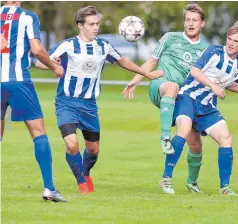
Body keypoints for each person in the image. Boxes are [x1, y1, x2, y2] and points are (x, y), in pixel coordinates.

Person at [35, 6, 162, 194]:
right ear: (80, 25)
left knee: (93, 150)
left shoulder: (104, 46)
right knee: (71, 144)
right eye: (91, 24)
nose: (96, 27)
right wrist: (54, 66)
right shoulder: (68, 45)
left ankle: (85, 172)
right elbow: (39, 62)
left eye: (97, 24)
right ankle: (81, 182)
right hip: (66, 102)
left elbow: (123, 62)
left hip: (89, 106)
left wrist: (146, 73)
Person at [160, 21, 238, 195]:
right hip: (188, 97)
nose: (231, 43)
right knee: (184, 130)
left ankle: (225, 188)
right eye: (229, 39)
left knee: (226, 138)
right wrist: (214, 86)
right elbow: (195, 71)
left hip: (207, 107)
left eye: (236, 41)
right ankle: (166, 179)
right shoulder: (214, 51)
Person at [123, 3, 210, 193]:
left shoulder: (206, 49)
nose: (190, 23)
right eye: (187, 19)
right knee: (171, 86)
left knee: (194, 143)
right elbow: (152, 62)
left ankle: (191, 182)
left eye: (194, 20)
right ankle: (164, 137)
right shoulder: (170, 38)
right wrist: (135, 81)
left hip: (185, 97)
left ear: (202, 23)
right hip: (160, 86)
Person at [0, 1, 66, 202]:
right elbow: (36, 49)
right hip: (19, 82)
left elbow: (22, 55)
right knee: (38, 133)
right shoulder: (27, 16)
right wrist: (55, 68)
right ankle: (49, 188)